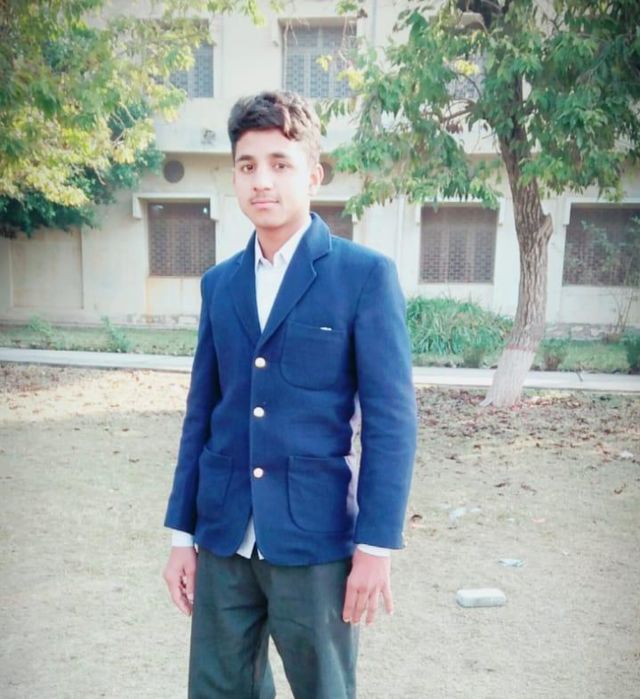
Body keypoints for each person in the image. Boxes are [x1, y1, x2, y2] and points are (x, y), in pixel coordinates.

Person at [162, 90, 417, 699]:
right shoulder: (220, 284)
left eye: (280, 163)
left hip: (314, 540)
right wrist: (181, 536)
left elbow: (391, 423)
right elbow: (202, 415)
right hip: (224, 536)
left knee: (323, 690)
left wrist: (376, 546)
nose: (262, 181)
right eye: (247, 165)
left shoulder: (363, 276)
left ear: (313, 174)